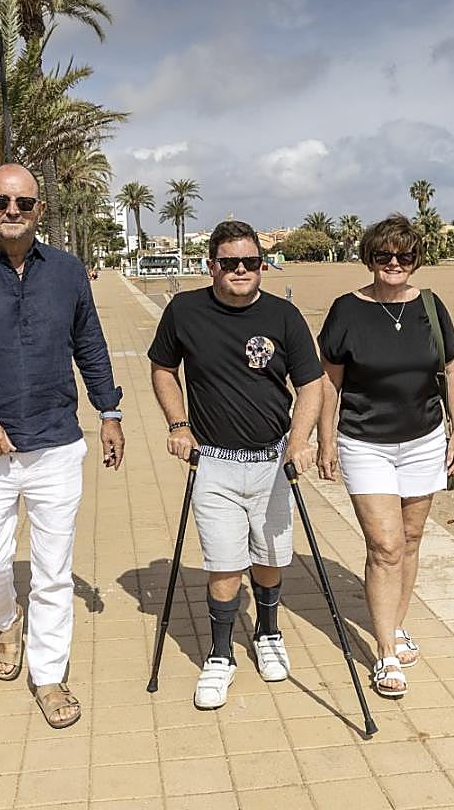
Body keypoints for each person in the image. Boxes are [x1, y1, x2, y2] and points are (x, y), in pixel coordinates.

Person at [0, 163, 125, 729]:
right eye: (0, 201)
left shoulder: (65, 271)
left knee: (54, 571)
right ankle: (6, 621)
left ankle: (50, 675)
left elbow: (90, 343)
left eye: (24, 203)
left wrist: (109, 410)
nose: (12, 212)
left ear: (40, 209)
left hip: (57, 444)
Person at [148, 219, 323, 709]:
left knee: (269, 559)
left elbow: (311, 384)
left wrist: (300, 439)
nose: (241, 270)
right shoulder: (184, 310)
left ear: (262, 267)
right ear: (212, 267)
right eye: (230, 263)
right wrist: (178, 424)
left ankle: (268, 634)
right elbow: (163, 368)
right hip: (215, 464)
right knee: (223, 564)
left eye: (251, 262)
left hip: (272, 462)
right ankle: (221, 655)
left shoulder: (285, 317)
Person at [315, 213, 454, 698]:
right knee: (385, 545)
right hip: (364, 442)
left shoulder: (431, 305)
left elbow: (451, 370)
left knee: (412, 538)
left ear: (417, 260)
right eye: (384, 256)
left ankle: (395, 626)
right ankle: (383, 653)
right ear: (370, 258)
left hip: (424, 438)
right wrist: (324, 439)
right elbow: (328, 382)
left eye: (404, 256)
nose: (394, 264)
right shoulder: (347, 310)